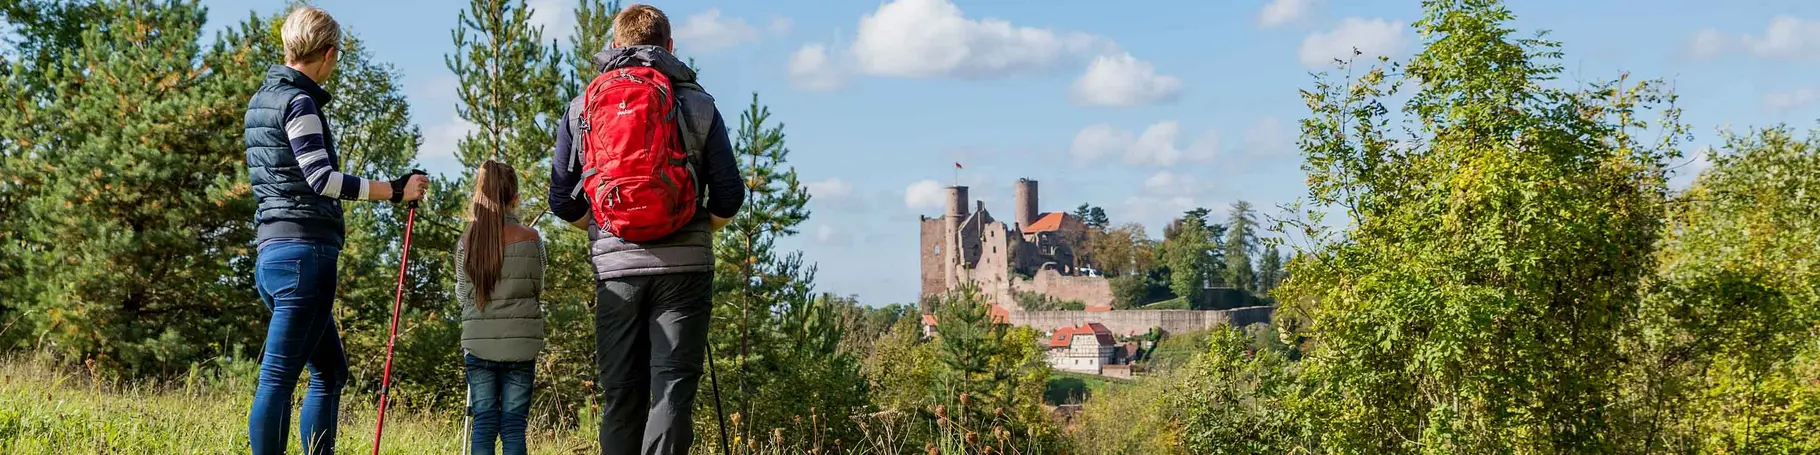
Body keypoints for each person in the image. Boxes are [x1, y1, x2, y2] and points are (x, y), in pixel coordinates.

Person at [547, 4, 745, 454]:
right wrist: (702, 226)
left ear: (615, 46)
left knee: (621, 393)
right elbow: (730, 194)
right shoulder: (698, 104)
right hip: (685, 271)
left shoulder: (583, 107)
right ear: (670, 47)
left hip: (616, 271)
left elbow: (561, 198)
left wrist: (601, 229)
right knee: (671, 392)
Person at [242, 6, 429, 455]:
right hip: (305, 257)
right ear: (326, 54)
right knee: (279, 377)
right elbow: (320, 178)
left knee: (329, 370)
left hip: (271, 254)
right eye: (337, 56)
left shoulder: (261, 101)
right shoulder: (299, 101)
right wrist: (395, 190)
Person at [455, 160, 547, 455]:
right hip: (521, 346)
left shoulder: (467, 241)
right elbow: (537, 285)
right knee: (513, 426)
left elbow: (462, 293)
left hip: (478, 346)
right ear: (515, 199)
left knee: (483, 423)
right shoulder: (532, 240)